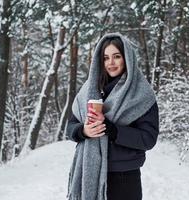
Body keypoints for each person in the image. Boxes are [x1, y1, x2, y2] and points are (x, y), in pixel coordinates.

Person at [66, 32, 159, 200]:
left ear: (127, 58)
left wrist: (111, 129)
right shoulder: (88, 89)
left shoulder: (141, 93)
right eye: (105, 58)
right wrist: (84, 131)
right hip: (87, 171)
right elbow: (70, 127)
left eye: (116, 56)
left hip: (124, 176)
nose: (111, 63)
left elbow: (148, 139)